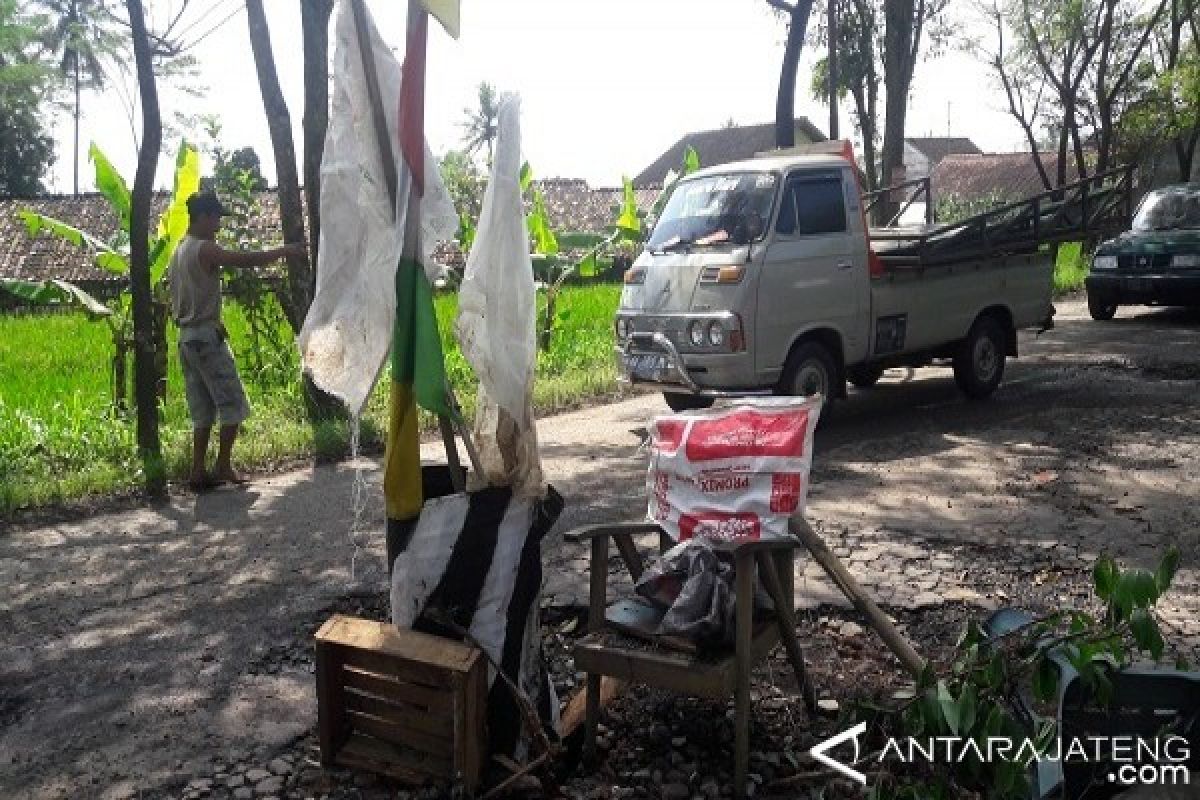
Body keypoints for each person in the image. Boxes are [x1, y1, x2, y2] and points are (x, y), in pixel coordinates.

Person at [166, 190, 305, 491]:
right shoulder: (205, 249)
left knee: (201, 409)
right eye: (215, 218)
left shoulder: (178, 251)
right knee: (232, 402)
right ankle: (223, 465)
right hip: (205, 337)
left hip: (187, 338)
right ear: (202, 217)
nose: (218, 225)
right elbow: (246, 260)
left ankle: (197, 470)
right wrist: (286, 251)